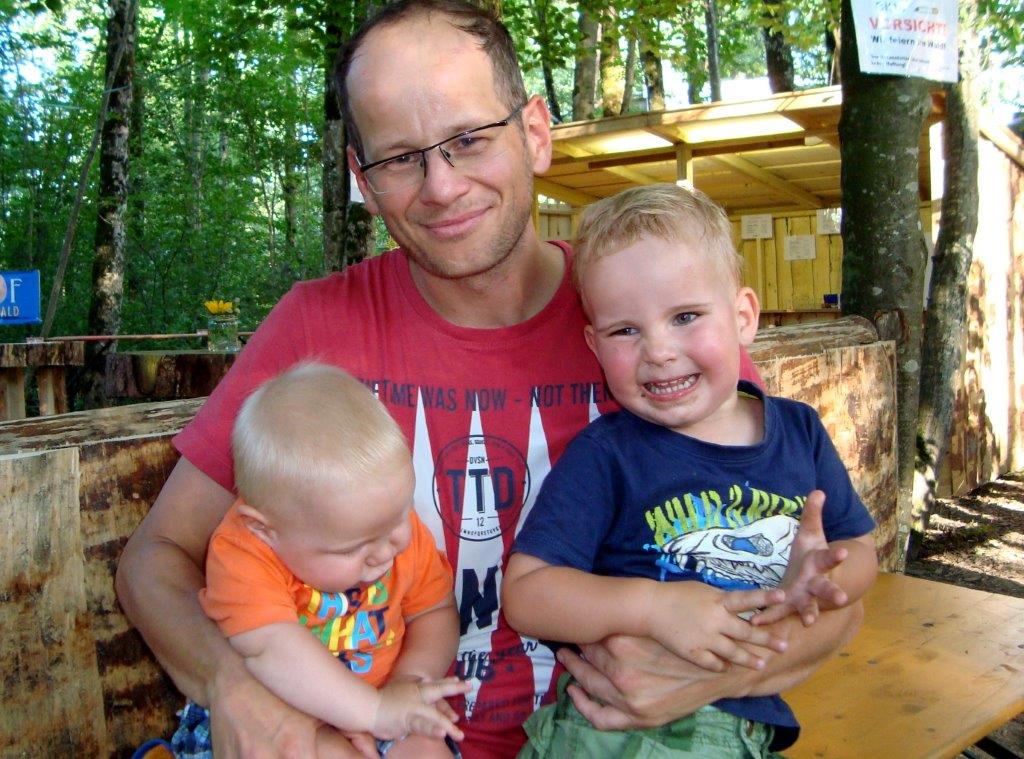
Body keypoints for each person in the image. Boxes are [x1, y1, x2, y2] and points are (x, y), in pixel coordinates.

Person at [115, 2, 868, 757]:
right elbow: (155, 559)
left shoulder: (648, 319)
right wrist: (234, 687)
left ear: (535, 132)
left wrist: (708, 681)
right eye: (399, 158)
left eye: (469, 139)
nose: (441, 187)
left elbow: (834, 590)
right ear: (362, 179)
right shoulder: (316, 328)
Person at [503, 184, 879, 757]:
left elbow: (860, 551)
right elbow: (527, 595)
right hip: (615, 733)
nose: (658, 350)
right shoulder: (607, 455)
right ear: (594, 345)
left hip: (745, 728)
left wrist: (815, 584)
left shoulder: (800, 432)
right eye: (625, 330)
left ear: (743, 317)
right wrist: (654, 607)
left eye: (685, 317)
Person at [170, 363, 469, 759]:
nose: (386, 550)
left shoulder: (387, 530)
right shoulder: (244, 554)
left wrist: (410, 679)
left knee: (427, 749)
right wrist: (373, 711)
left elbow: (434, 610)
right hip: (278, 711)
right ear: (265, 529)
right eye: (351, 549)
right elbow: (271, 649)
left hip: (381, 697)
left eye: (400, 517)